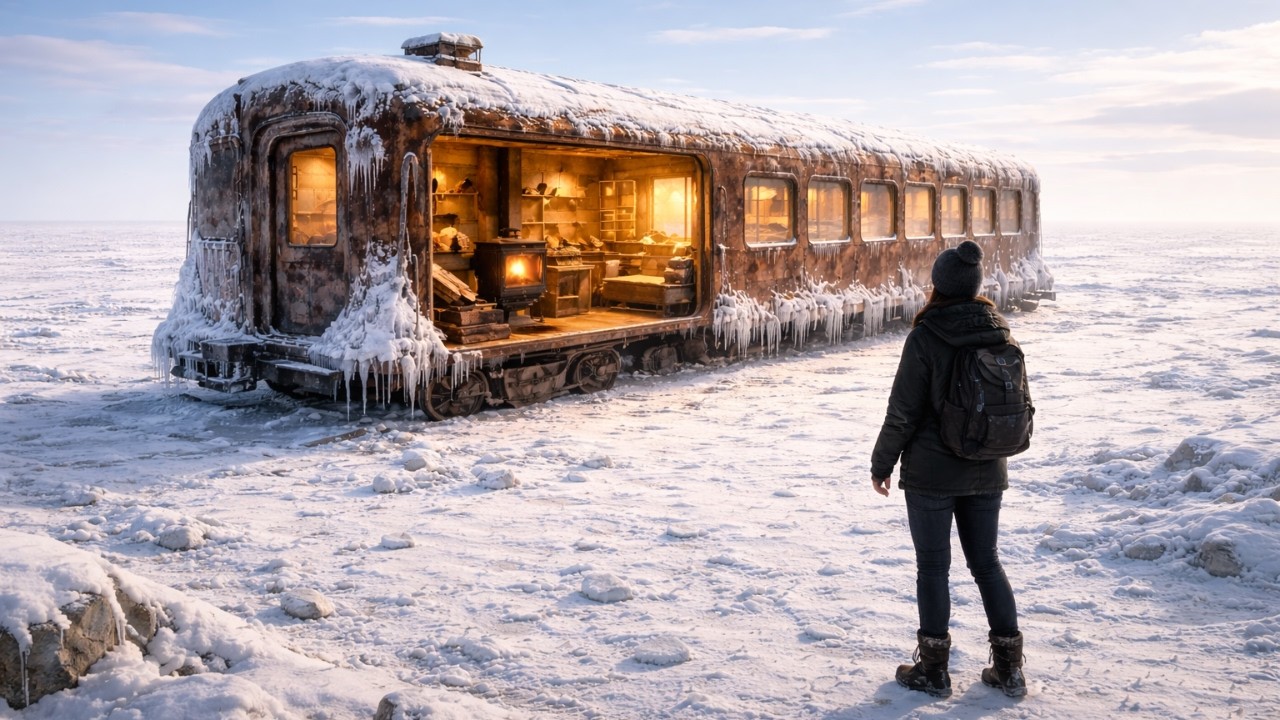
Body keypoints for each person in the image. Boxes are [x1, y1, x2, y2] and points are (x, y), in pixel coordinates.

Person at [870, 240, 1027, 699]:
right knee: (987, 564)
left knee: (934, 567)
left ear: (937, 285)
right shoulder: (1001, 331)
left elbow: (902, 412)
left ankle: (934, 672)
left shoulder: (926, 335)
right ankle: (1009, 670)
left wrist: (882, 464)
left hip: (933, 474)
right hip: (987, 465)